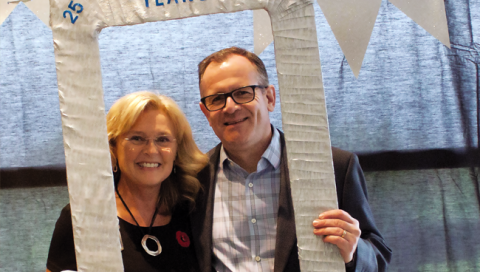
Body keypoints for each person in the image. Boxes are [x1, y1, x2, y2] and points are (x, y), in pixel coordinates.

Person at [190, 47, 392, 272]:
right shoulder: (193, 180)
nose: (230, 107)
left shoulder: (334, 167)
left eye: (243, 93)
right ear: (206, 113)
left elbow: (378, 256)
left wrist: (354, 253)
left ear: (269, 98)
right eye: (217, 99)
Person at [46, 91, 208, 272]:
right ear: (113, 145)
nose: (151, 150)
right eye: (137, 138)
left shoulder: (192, 212)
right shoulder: (81, 219)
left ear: (177, 150)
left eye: (162, 139)